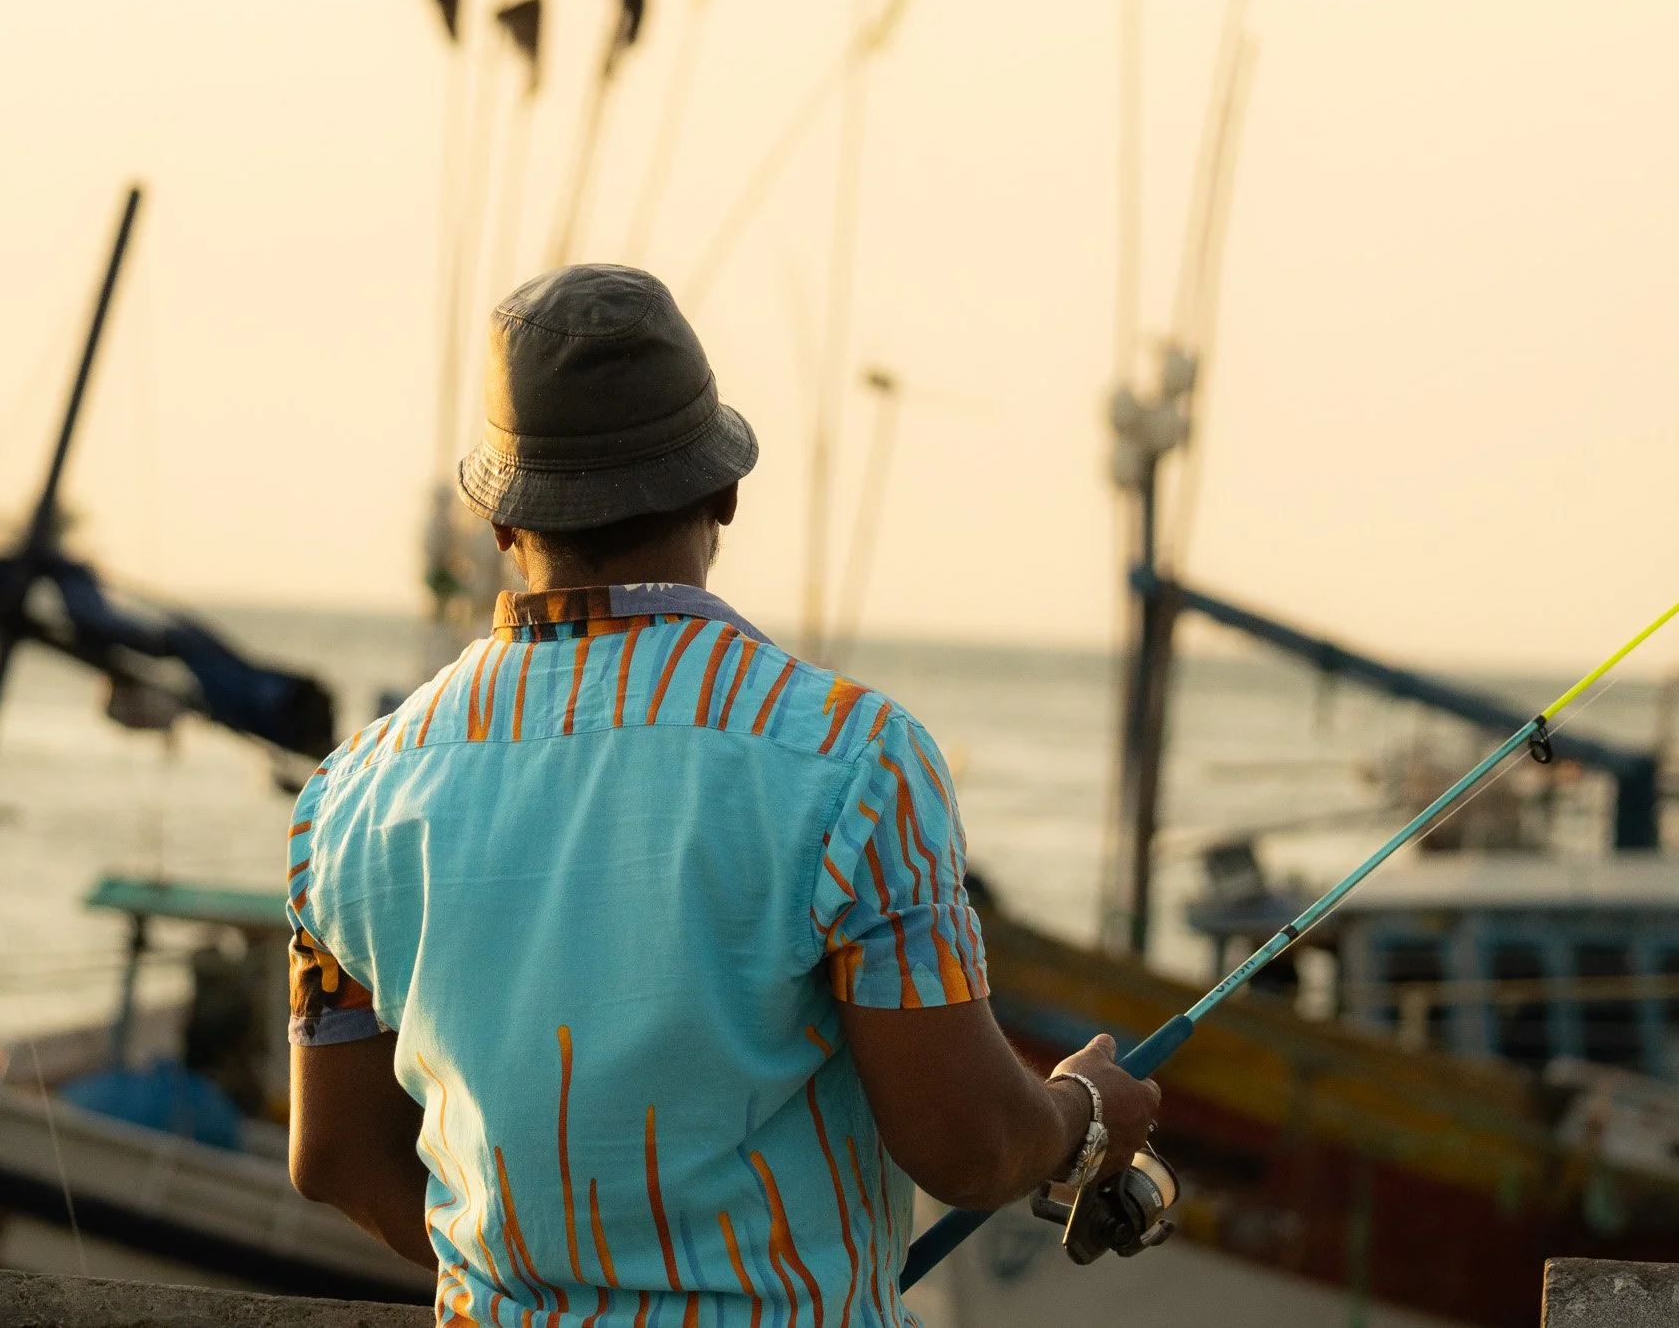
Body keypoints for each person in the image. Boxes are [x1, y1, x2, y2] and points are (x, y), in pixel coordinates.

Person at [286, 264, 1159, 1326]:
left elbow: (332, 1158)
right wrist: (1082, 1113)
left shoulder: (348, 798)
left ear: (502, 523)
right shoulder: (854, 762)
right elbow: (968, 1147)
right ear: (724, 492)